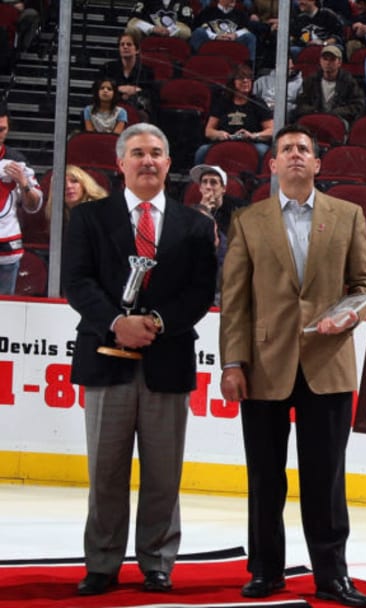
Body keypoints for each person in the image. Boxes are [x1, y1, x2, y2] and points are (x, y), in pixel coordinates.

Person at [218, 124, 366, 607]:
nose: (294, 156)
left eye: (303, 149)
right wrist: (232, 363)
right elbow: (235, 300)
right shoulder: (249, 220)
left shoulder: (348, 216)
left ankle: (332, 575)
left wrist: (348, 315)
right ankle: (266, 570)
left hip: (327, 364)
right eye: (285, 149)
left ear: (317, 163)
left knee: (325, 476)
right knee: (265, 476)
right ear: (272, 164)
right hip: (264, 365)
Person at [61, 123, 218, 596]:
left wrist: (156, 324)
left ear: (170, 164)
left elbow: (200, 291)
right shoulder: (89, 219)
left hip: (167, 362)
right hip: (105, 360)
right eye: (137, 153)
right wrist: (117, 322)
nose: (147, 160)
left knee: (163, 472)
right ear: (120, 163)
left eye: (156, 153)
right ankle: (102, 563)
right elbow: (78, 283)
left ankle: (157, 562)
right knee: (105, 471)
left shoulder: (196, 225)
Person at [0, 107, 44, 295]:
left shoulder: (17, 161)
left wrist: (23, 182)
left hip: (7, 249)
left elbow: (33, 206)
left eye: (2, 129)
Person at [195, 64, 273, 166]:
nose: (245, 81)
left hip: (252, 143)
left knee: (263, 151)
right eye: (241, 78)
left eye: (248, 78)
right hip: (225, 142)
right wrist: (219, 134)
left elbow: (271, 131)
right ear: (232, 82)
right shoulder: (222, 102)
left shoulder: (257, 103)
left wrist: (253, 135)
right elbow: (208, 131)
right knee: (202, 151)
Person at [295, 45, 366, 124]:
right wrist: (314, 111)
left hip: (339, 119)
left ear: (339, 62)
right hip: (314, 117)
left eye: (332, 59)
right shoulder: (311, 80)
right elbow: (301, 103)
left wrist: (337, 112)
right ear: (320, 61)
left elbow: (358, 105)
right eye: (325, 59)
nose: (328, 63)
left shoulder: (349, 81)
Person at [100, 31, 157, 121]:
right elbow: (101, 88)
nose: (125, 47)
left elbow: (151, 93)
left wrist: (136, 91)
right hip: (113, 104)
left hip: (137, 106)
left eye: (129, 44)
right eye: (122, 45)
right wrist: (119, 90)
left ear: (137, 50)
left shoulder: (146, 71)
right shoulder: (108, 68)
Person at [190, 0, 259, 65]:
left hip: (234, 40)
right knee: (198, 32)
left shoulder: (241, 14)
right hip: (212, 39)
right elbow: (201, 27)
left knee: (251, 37)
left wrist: (235, 35)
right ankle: (194, 64)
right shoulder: (207, 11)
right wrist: (215, 36)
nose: (233, 0)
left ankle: (248, 70)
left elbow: (247, 29)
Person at [189, 163, 247, 237]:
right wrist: (202, 211)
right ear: (200, 188)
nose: (208, 187)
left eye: (213, 182)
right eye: (204, 182)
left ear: (224, 189)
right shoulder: (191, 212)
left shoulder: (239, 210)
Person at [45, 165, 108, 229]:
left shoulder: (99, 211)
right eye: (62, 183)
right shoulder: (57, 217)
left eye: (74, 181)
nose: (69, 186)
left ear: (84, 184)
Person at [252, 57, 303, 121]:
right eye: (288, 67)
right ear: (277, 65)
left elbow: (300, 105)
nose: (291, 67)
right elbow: (252, 100)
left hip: (287, 116)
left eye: (292, 68)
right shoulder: (262, 81)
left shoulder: (299, 83)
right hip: (263, 114)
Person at [128, 0, 195, 40]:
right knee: (132, 26)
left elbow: (188, 26)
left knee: (187, 30)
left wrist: (168, 30)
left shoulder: (183, 1)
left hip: (173, 35)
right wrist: (152, 28)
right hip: (150, 32)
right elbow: (133, 20)